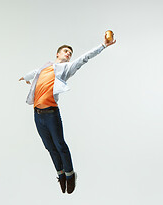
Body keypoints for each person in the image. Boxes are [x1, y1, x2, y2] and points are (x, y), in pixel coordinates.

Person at [19, 32, 116, 194]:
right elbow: (34, 73)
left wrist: (103, 45)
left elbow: (85, 57)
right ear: (57, 54)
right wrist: (24, 77)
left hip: (51, 114)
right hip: (37, 115)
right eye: (66, 51)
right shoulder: (45, 68)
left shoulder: (67, 68)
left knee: (60, 145)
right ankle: (61, 174)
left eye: (70, 53)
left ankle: (70, 175)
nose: (68, 54)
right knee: (49, 147)